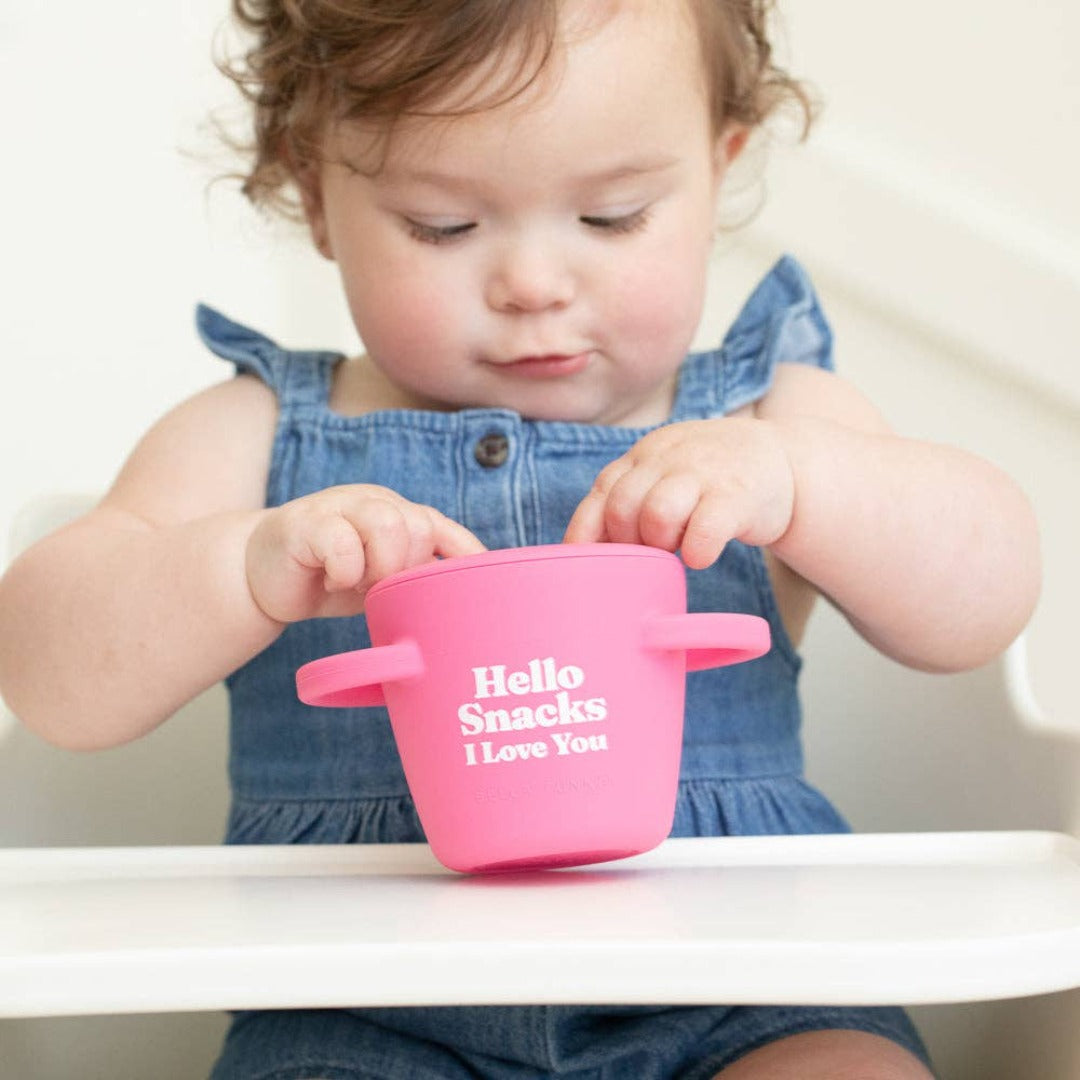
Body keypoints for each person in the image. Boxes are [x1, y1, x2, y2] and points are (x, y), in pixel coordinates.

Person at [0, 0, 1040, 1077]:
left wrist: (800, 486)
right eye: (444, 226)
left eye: (614, 216)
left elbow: (989, 593)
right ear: (317, 197)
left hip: (747, 990)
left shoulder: (768, 420)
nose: (535, 286)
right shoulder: (253, 437)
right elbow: (48, 677)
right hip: (360, 1011)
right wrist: (244, 566)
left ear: (718, 171)